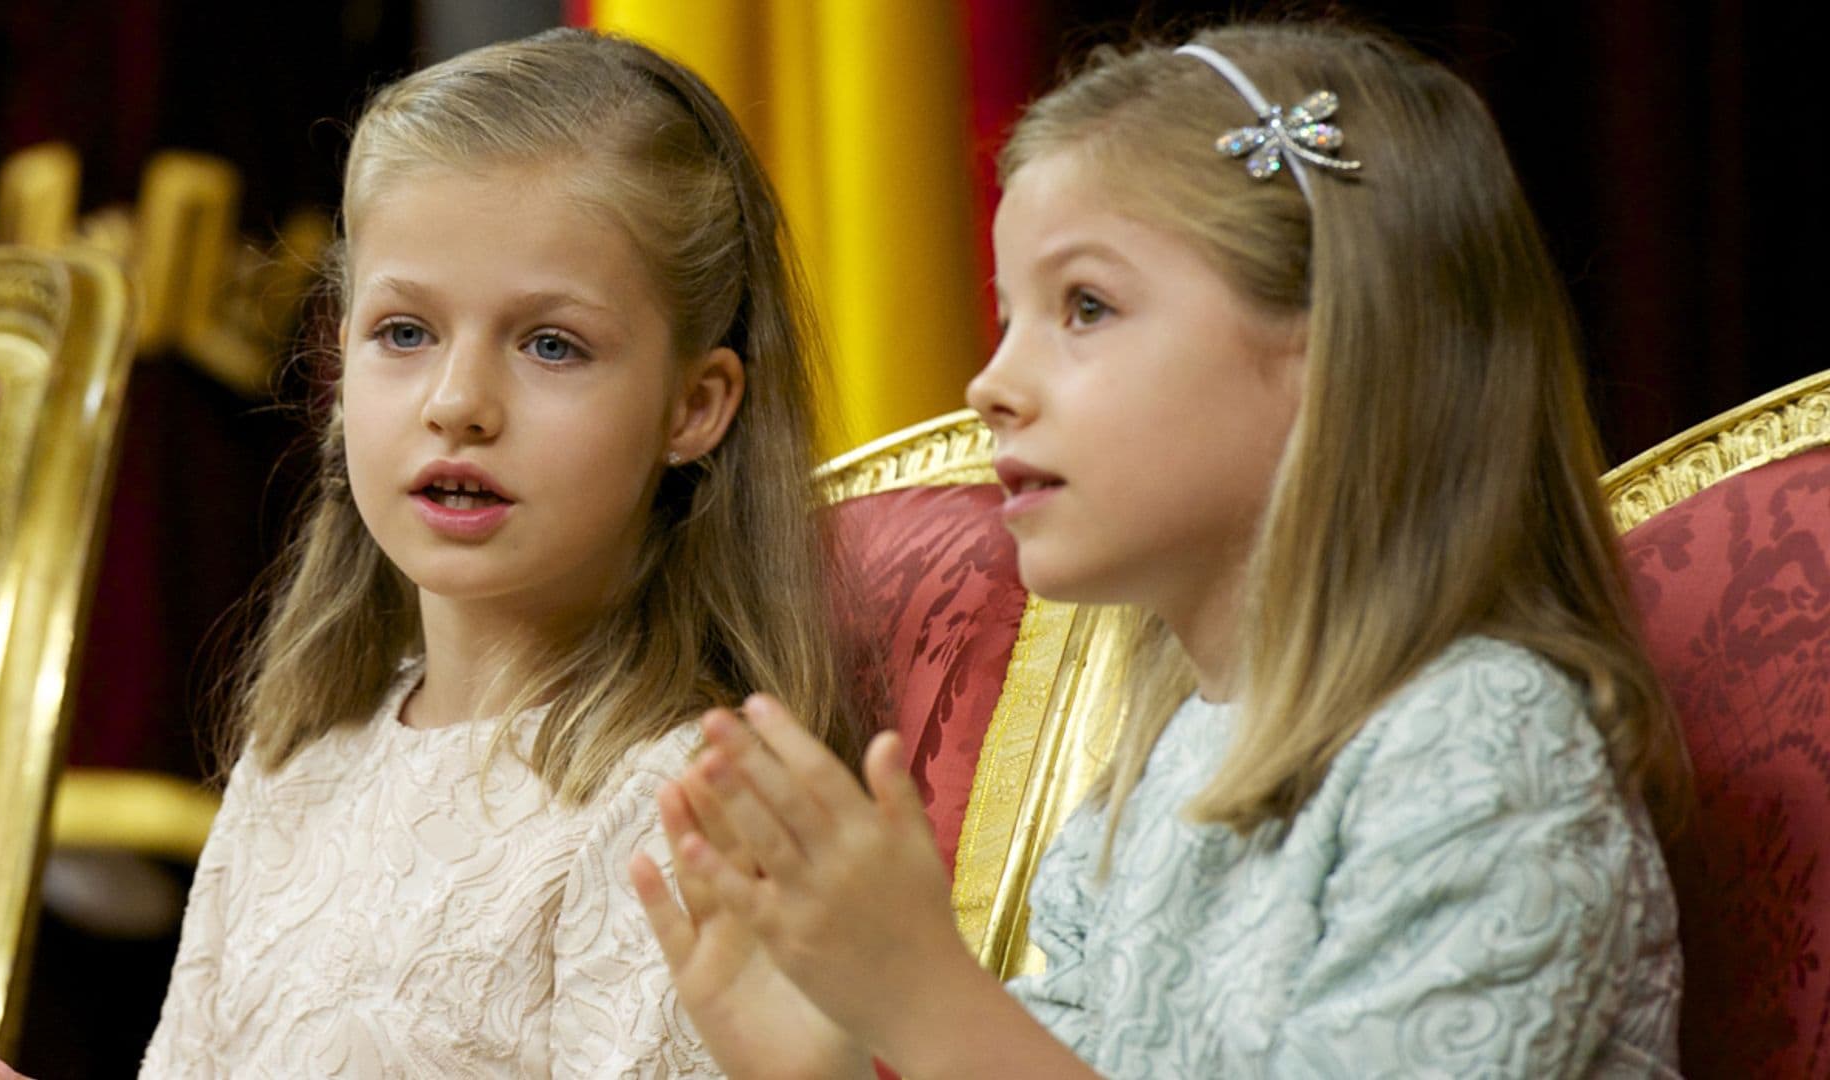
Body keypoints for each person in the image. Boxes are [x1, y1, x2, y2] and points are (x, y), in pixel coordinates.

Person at [634, 19, 1690, 1080]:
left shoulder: (1485, 743)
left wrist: (922, 1001)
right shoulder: (1161, 766)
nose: (989, 383)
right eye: (1008, 317)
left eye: (1084, 307)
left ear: (1330, 357)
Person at [0, 25, 862, 1079]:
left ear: (695, 404)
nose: (459, 404)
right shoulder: (301, 760)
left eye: (551, 344)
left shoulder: (684, 807)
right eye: (405, 333)